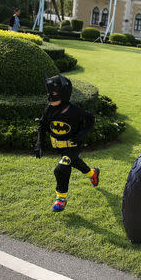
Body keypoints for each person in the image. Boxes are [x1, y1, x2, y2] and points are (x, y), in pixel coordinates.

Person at [34, 75, 99, 212]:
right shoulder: (49, 109)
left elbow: (91, 120)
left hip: (72, 147)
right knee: (75, 162)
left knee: (61, 168)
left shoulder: (75, 111)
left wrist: (81, 134)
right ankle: (92, 174)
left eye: (54, 93)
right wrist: (39, 143)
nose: (50, 96)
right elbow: (42, 125)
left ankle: (61, 199)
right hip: (59, 147)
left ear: (63, 94)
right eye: (49, 92)